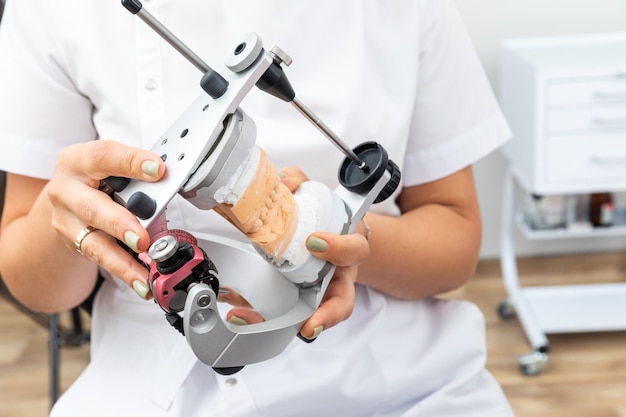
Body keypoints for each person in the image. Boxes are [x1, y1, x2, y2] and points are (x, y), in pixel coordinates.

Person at [0, 0, 515, 416]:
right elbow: (37, 285)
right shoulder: (55, 11)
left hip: (394, 380)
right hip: (150, 380)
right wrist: (63, 212)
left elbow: (455, 238)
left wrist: (339, 241)